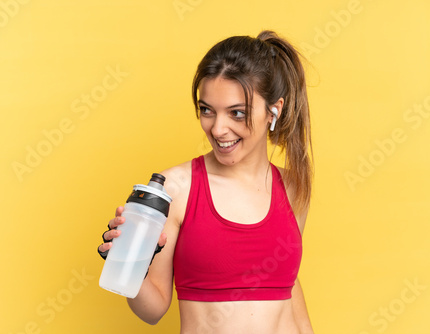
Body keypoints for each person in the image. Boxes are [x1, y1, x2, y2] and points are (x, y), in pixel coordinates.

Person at [98, 30, 315, 334]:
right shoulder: (176, 189)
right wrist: (124, 264)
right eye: (207, 111)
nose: (218, 129)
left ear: (273, 111)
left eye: (237, 113)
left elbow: (289, 289)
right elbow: (153, 309)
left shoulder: (292, 187)